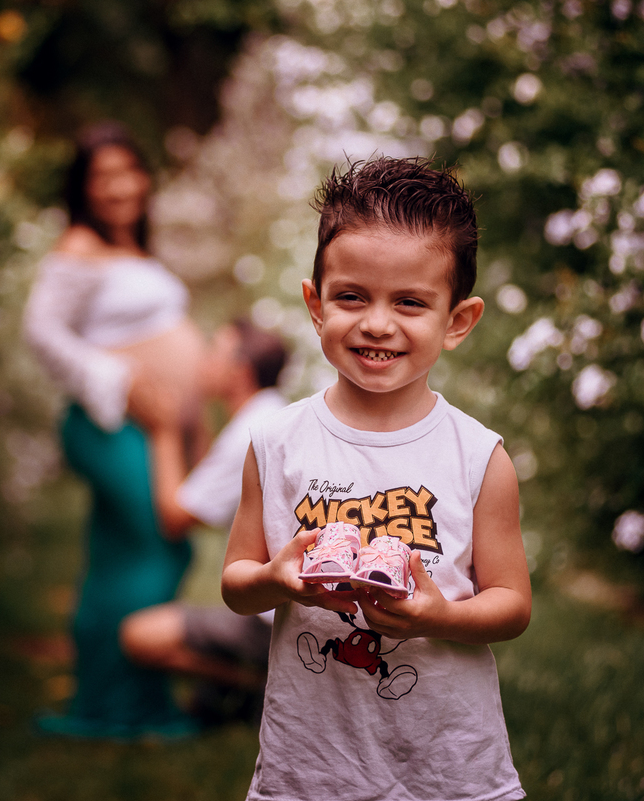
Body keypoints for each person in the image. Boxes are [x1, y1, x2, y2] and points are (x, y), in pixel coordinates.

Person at [222, 156, 532, 800]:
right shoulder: (276, 443)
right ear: (315, 305)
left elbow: (511, 604)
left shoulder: (478, 457)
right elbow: (235, 585)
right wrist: (276, 578)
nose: (377, 323)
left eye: (411, 302)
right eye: (351, 296)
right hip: (309, 769)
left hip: (449, 768)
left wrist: (437, 617)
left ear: (457, 321)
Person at [22, 122, 206, 739]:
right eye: (103, 176)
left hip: (150, 428)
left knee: (116, 558)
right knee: (162, 540)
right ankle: (132, 705)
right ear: (82, 188)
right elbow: (42, 334)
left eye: (129, 170)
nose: (120, 186)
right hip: (108, 425)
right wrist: (120, 383)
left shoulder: (132, 249)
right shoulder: (77, 246)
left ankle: (104, 705)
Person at [120, 319, 288, 722]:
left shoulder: (252, 431)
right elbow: (211, 486)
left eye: (215, 349)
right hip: (285, 604)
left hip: (271, 621)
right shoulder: (272, 414)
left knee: (138, 637)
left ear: (240, 371)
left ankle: (258, 692)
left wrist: (163, 431)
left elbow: (176, 517)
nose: (204, 360)